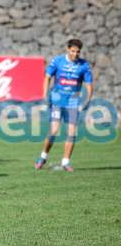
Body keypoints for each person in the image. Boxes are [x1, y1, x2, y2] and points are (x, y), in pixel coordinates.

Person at [34, 39, 93, 172]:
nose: (75, 54)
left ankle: (65, 162)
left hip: (72, 102)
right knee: (54, 131)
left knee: (72, 133)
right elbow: (47, 76)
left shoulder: (84, 65)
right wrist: (45, 94)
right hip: (57, 101)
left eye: (78, 52)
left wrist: (88, 100)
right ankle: (43, 157)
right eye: (73, 51)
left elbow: (89, 84)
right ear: (68, 49)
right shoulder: (57, 61)